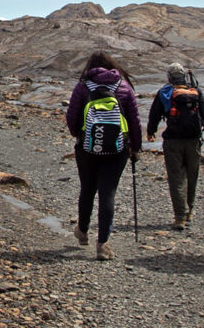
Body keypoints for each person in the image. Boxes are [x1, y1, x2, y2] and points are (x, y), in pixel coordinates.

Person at [64, 51, 143, 261]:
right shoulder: (124, 87)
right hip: (117, 150)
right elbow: (134, 120)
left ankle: (82, 231)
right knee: (108, 193)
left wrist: (79, 134)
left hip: (87, 148)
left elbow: (72, 117)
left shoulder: (83, 87)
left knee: (87, 189)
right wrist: (136, 147)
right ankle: (103, 244)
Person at [151, 63, 204, 231]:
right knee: (192, 175)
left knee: (176, 177)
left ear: (169, 77)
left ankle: (180, 217)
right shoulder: (196, 92)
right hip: (194, 140)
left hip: (173, 140)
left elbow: (155, 113)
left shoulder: (166, 92)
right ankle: (189, 212)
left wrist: (151, 131)